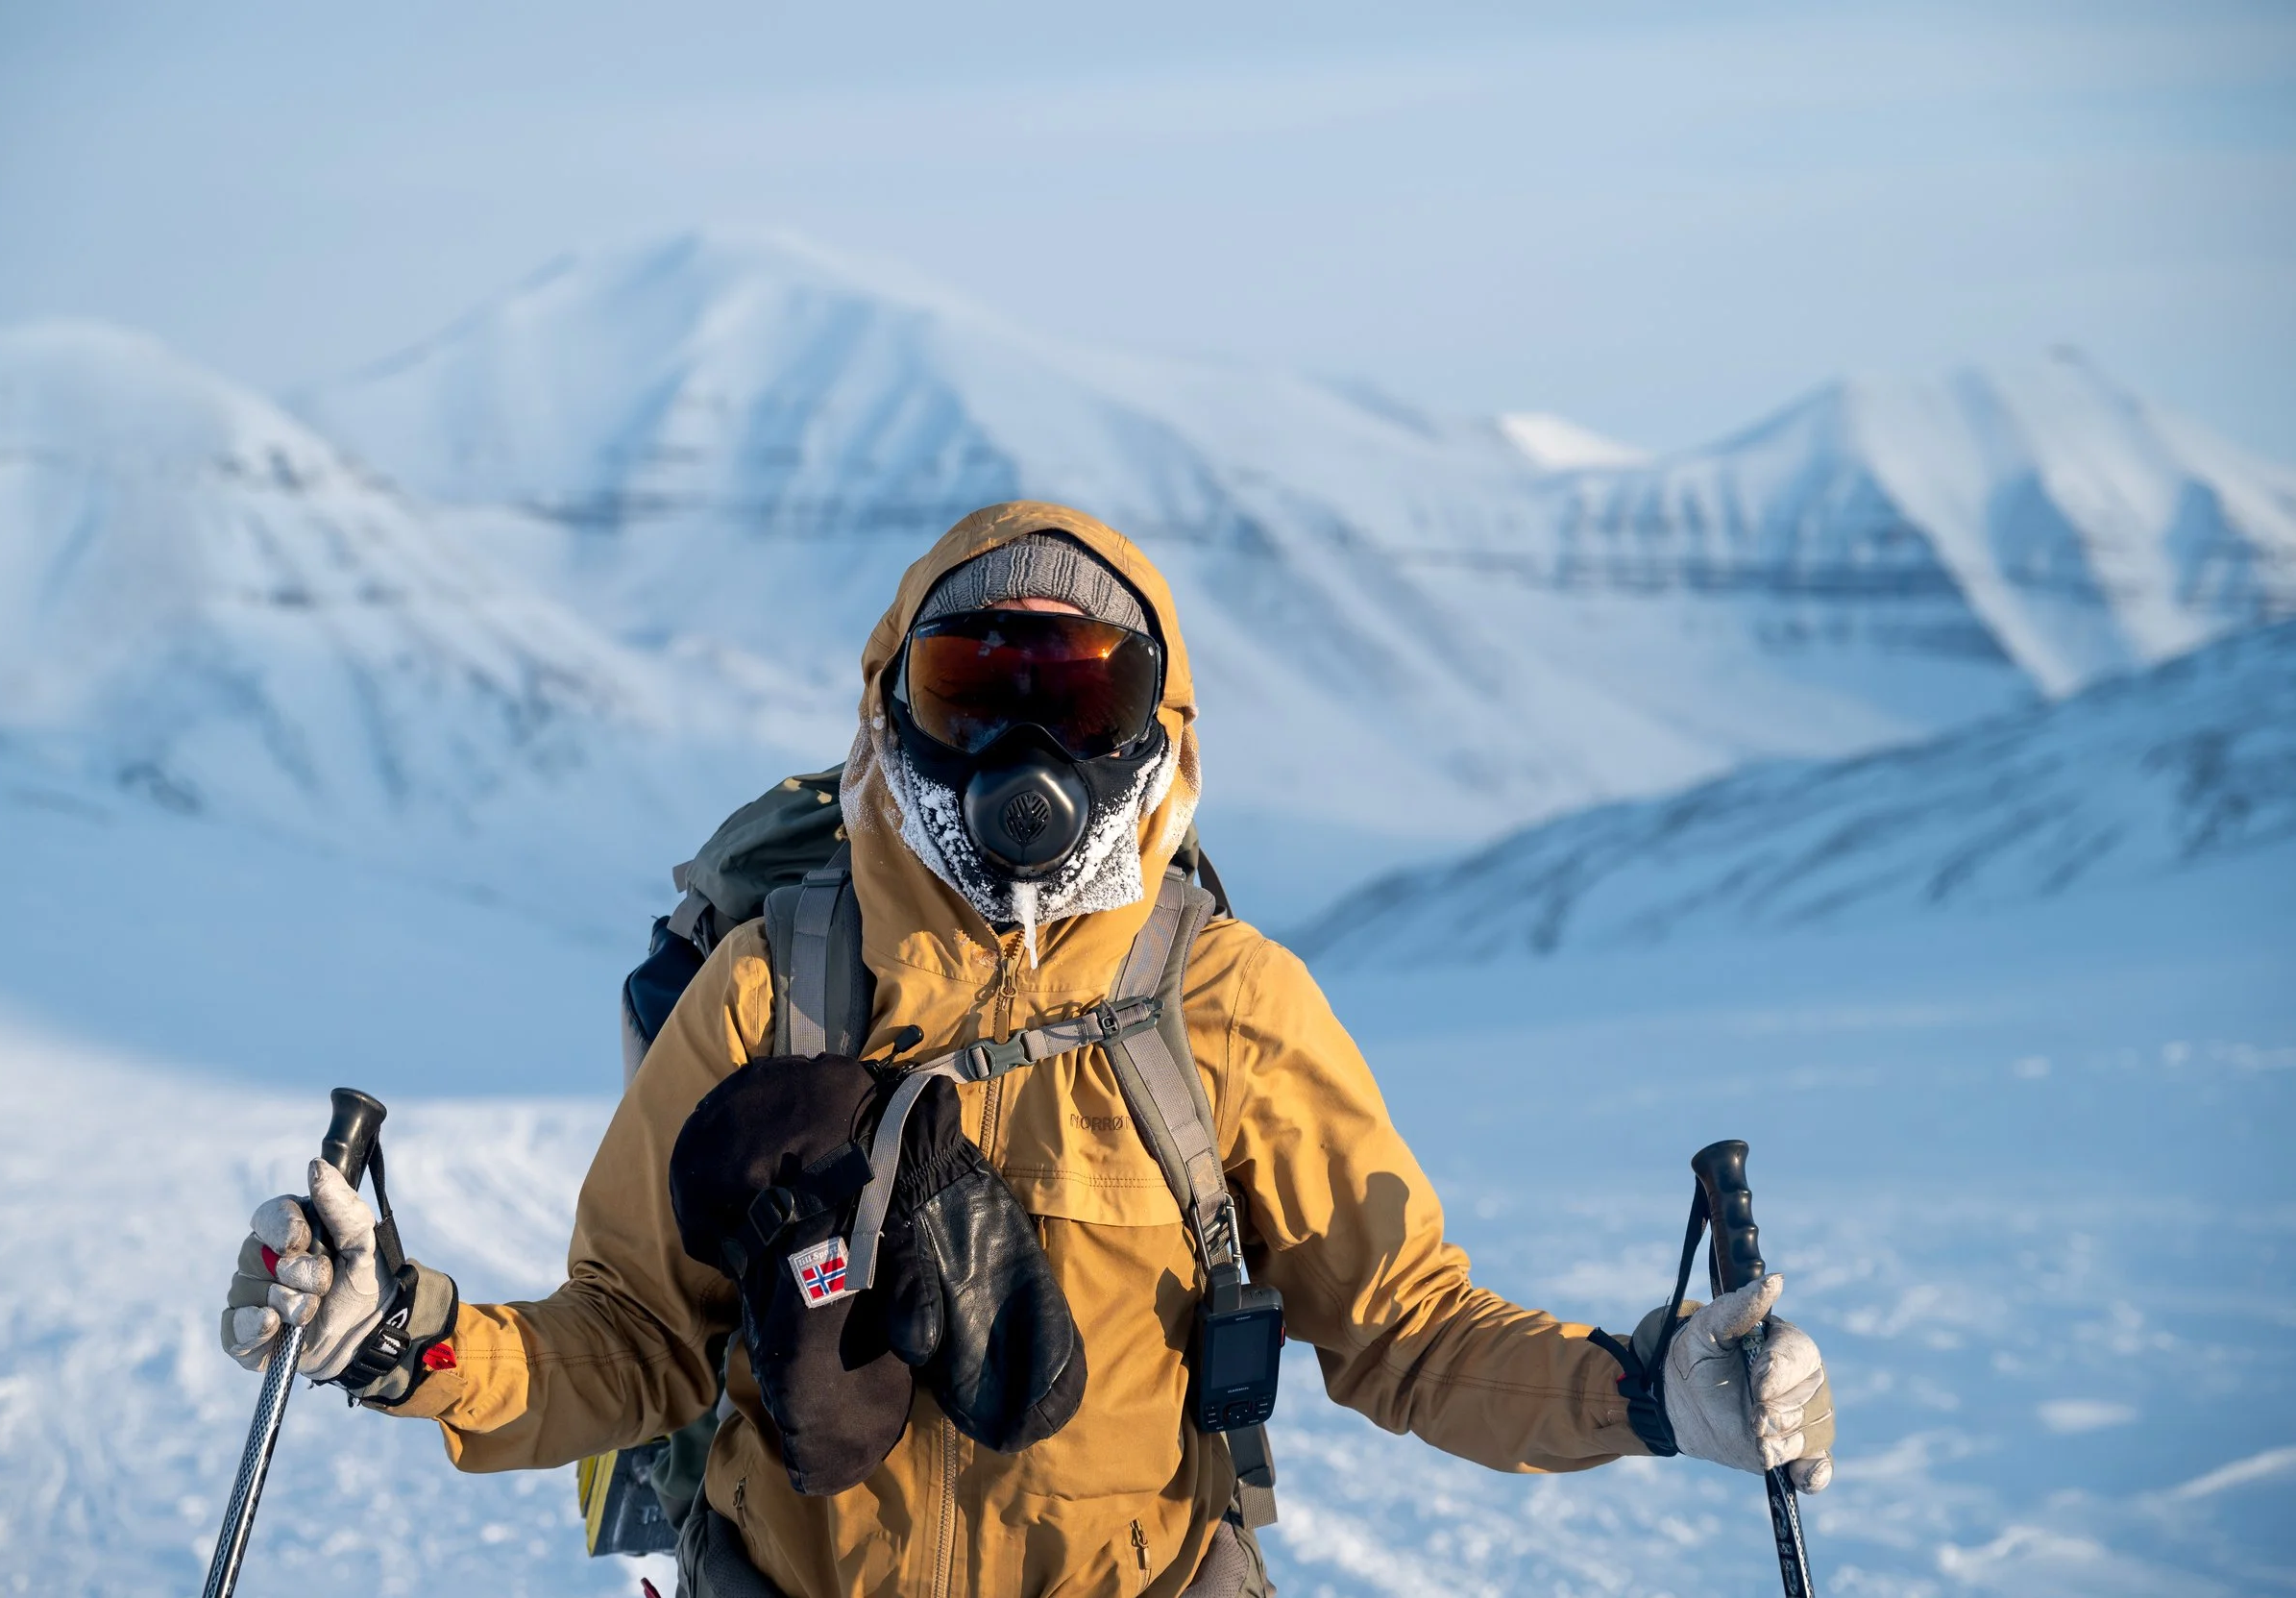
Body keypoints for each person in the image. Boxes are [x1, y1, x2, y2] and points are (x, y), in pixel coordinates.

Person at [221, 502, 1834, 1597]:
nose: (1021, 753)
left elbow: (1408, 1330)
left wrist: (1649, 1389)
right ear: (890, 711)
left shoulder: (1228, 1006)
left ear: (1154, 723)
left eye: (1077, 694)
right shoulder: (767, 994)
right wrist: (399, 1335)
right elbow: (630, 1341)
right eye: (971, 687)